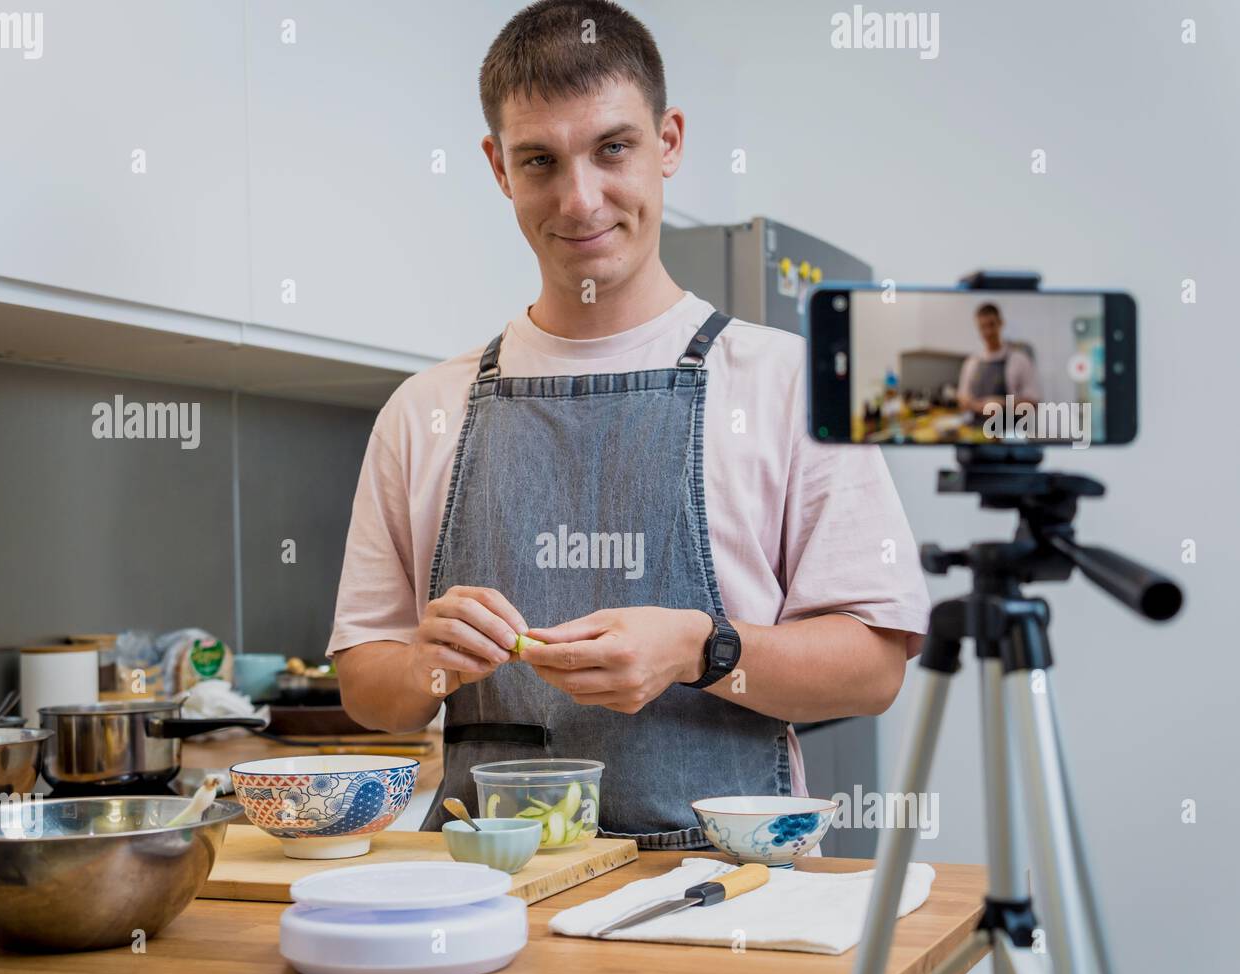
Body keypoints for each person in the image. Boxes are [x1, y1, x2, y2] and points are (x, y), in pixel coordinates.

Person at [329, 0, 931, 850]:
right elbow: (366, 687)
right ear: (499, 167)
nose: (580, 200)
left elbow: (874, 669)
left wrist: (700, 649)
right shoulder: (423, 410)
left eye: (613, 148)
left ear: (669, 142)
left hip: (731, 896)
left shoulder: (787, 384)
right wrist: (432, 659)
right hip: (492, 899)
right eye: (540, 160)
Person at [957, 302, 1041, 420]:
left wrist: (1003, 404)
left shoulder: (1019, 360)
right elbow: (962, 397)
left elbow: (1033, 402)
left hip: (1010, 431)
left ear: (1001, 323)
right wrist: (975, 405)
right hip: (977, 432)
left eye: (991, 325)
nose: (988, 332)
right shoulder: (972, 362)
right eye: (982, 327)